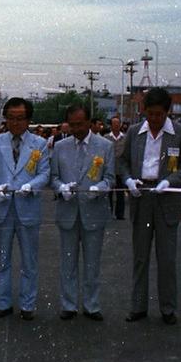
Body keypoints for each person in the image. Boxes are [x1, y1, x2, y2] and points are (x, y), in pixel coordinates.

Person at [119, 88, 181, 325]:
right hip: (141, 197)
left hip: (166, 198)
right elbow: (121, 161)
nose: (154, 119)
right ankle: (138, 306)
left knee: (167, 258)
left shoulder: (179, 133)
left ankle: (168, 308)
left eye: (159, 115)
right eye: (150, 114)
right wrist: (128, 179)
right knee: (140, 257)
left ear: (167, 112)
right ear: (144, 111)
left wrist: (169, 181)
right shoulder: (134, 132)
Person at [0, 97, 50, 321]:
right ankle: (3, 303)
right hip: (3, 207)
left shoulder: (39, 144)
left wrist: (32, 185)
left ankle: (28, 305)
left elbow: (44, 173)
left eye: (20, 119)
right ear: (5, 119)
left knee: (29, 260)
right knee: (2, 259)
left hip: (28, 206)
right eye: (11, 118)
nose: (16, 123)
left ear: (28, 120)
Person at [50, 104, 115, 321]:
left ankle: (91, 304)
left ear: (89, 122)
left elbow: (110, 178)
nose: (76, 129)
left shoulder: (105, 146)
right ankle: (68, 304)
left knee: (92, 263)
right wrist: (61, 189)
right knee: (68, 262)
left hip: (93, 210)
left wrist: (101, 188)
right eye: (72, 125)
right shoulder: (60, 146)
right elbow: (54, 177)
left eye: (80, 124)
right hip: (68, 210)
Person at [104, 116, 126, 219]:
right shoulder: (106, 138)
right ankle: (108, 214)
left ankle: (120, 214)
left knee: (120, 194)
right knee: (108, 194)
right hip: (110, 170)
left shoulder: (125, 138)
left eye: (118, 124)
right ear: (111, 126)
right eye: (114, 124)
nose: (116, 126)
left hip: (121, 170)